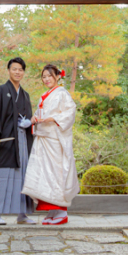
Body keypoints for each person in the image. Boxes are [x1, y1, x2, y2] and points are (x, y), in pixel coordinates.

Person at [21, 64, 80, 225]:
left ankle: (61, 211)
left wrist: (51, 119)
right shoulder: (44, 95)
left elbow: (70, 111)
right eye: (44, 76)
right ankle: (52, 211)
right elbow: (38, 114)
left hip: (54, 138)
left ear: (57, 77)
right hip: (43, 138)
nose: (46, 79)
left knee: (56, 173)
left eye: (49, 76)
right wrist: (30, 121)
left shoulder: (62, 93)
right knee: (43, 174)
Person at [0, 57, 36, 225]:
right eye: (14, 69)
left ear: (23, 72)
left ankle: (22, 214)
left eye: (20, 70)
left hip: (22, 140)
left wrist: (29, 123)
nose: (17, 72)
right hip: (5, 141)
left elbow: (29, 117)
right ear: (9, 70)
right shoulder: (1, 91)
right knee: (2, 176)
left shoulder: (26, 95)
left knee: (23, 176)